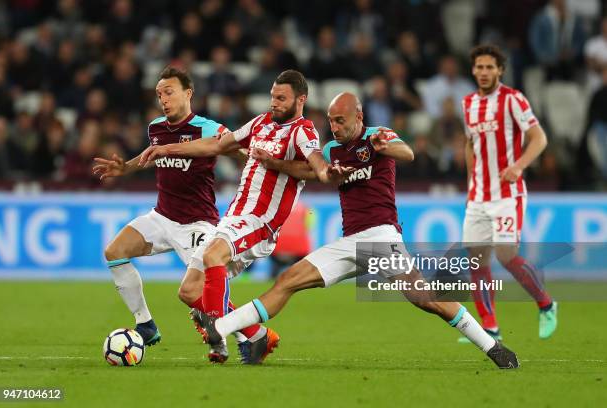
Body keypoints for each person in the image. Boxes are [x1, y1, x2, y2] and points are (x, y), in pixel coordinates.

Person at [190, 92, 520, 370]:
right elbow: (307, 169)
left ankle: (493, 347)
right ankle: (222, 327)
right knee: (288, 280)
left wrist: (383, 145)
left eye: (340, 121)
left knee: (426, 299)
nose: (334, 128)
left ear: (358, 116)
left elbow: (409, 153)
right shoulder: (332, 150)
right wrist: (273, 162)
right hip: (349, 242)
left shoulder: (378, 135)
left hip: (380, 237)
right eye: (331, 121)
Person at [139, 70, 351, 364]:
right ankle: (256, 336)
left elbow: (318, 166)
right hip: (233, 218)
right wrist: (166, 148)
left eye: (281, 98)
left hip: (260, 221)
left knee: (213, 256)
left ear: (300, 100)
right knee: (189, 291)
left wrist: (322, 171)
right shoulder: (261, 122)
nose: (274, 103)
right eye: (272, 97)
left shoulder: (302, 130)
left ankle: (218, 339)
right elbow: (217, 144)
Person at [92, 66, 267, 363]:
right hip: (162, 217)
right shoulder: (156, 127)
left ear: (188, 93)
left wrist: (255, 164)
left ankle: (248, 333)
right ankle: (145, 324)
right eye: (159, 94)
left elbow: (238, 150)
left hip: (197, 223)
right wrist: (126, 168)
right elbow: (152, 154)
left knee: (195, 292)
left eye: (169, 92)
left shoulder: (209, 129)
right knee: (114, 252)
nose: (163, 99)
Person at [460, 44, 557, 343]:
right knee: (477, 261)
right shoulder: (467, 104)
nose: (484, 72)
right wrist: (469, 183)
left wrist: (519, 166)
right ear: (474, 70)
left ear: (500, 70)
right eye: (480, 67)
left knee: (505, 255)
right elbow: (469, 144)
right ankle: (490, 326)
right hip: (479, 195)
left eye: (490, 67)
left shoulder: (513, 100)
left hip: (507, 194)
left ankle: (546, 303)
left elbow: (539, 138)